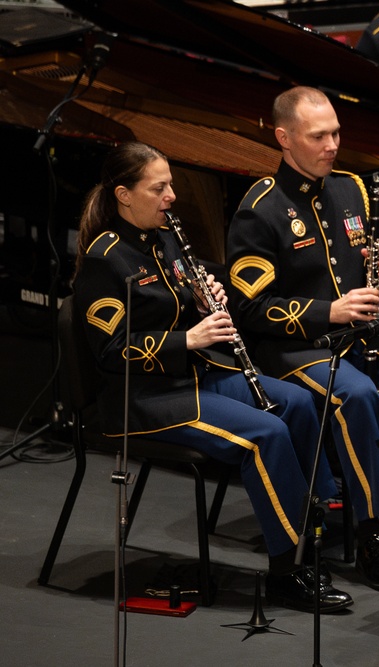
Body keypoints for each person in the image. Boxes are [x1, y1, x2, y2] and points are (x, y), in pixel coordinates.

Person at [72, 141, 352, 614]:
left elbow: (182, 294)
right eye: (159, 188)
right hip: (142, 397)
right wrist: (191, 339)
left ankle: (312, 525)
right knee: (265, 433)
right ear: (123, 194)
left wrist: (203, 300)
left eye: (171, 185)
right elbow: (110, 351)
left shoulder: (162, 238)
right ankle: (287, 569)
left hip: (192, 377)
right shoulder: (105, 260)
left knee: (299, 403)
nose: (172, 197)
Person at [226, 86, 379, 593]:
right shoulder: (260, 209)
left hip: (359, 338)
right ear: (284, 138)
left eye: (336, 132)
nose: (333, 144)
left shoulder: (351, 189)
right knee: (356, 396)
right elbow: (248, 309)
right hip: (293, 351)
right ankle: (369, 533)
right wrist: (327, 312)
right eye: (319, 136)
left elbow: (353, 256)